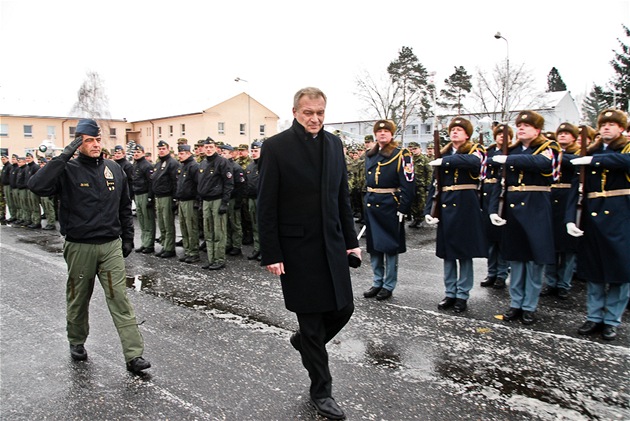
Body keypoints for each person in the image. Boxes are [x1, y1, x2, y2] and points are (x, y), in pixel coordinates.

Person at [258, 87, 360, 420]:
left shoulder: (334, 145)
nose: (314, 118)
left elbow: (342, 195)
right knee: (313, 323)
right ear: (295, 112)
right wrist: (272, 252)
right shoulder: (276, 148)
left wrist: (351, 239)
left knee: (344, 308)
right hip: (297, 249)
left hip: (331, 245)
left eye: (320, 112)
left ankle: (304, 344)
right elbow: (267, 204)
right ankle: (322, 392)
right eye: (307, 113)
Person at [27, 118, 150, 373]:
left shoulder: (114, 169)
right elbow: (37, 186)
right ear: (77, 143)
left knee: (120, 298)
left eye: (97, 140)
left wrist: (128, 238)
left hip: (110, 245)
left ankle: (133, 355)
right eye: (88, 141)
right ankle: (77, 340)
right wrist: (64, 156)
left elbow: (124, 206)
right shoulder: (67, 170)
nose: (95, 145)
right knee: (78, 297)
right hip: (80, 246)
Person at [489, 111, 561, 325]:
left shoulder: (549, 148)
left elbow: (543, 164)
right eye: (519, 125)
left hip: (536, 205)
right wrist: (494, 209)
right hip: (512, 207)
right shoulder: (511, 150)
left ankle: (529, 306)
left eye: (526, 126)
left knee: (534, 260)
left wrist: (509, 159)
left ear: (537, 130)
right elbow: (500, 184)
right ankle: (516, 303)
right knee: (517, 259)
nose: (520, 128)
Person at [567, 109, 630, 341]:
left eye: (613, 124)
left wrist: (595, 160)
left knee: (619, 272)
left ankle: (612, 319)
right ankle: (594, 316)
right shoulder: (589, 151)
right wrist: (569, 219)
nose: (606, 128)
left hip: (621, 217)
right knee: (594, 272)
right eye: (603, 124)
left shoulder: (622, 150)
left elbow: (626, 162)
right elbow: (576, 190)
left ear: (622, 129)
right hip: (592, 218)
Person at [424, 117, 487, 313]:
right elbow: (434, 185)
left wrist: (445, 160)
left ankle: (462, 295)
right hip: (445, 204)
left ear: (467, 134)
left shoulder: (475, 149)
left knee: (464, 254)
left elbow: (474, 162)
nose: (455, 132)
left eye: (459, 130)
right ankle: (450, 292)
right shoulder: (442, 153)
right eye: (452, 130)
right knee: (448, 254)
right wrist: (429, 209)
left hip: (465, 205)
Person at [363, 119, 415, 301]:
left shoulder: (401, 154)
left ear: (392, 134)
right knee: (374, 246)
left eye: (386, 131)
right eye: (379, 131)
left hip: (390, 204)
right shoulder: (370, 154)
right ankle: (377, 281)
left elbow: (409, 183)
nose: (382, 134)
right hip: (372, 202)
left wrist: (403, 207)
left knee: (390, 247)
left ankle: (388, 284)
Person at [541, 122, 580, 300]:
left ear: (573, 137)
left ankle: (564, 283)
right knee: (551, 244)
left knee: (567, 247)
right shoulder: (552, 150)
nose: (563, 136)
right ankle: (551, 281)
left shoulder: (578, 153)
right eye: (561, 133)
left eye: (567, 133)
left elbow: (575, 165)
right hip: (551, 196)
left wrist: (558, 156)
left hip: (567, 198)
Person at [480, 124, 512, 289]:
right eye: (499, 134)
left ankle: (501, 274)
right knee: (491, 241)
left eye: (505, 135)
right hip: (487, 196)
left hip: (502, 198)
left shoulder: (511, 153)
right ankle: (491, 272)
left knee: (502, 240)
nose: (501, 137)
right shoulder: (489, 152)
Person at [197, 139, 233, 270]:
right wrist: (201, 201)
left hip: (217, 200)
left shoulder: (222, 162)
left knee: (219, 231)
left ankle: (219, 259)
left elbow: (229, 183)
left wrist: (224, 202)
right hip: (206, 200)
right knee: (208, 231)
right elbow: (200, 184)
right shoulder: (202, 164)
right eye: (206, 147)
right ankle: (211, 259)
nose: (208, 149)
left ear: (216, 148)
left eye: (211, 147)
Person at [152, 140, 179, 258]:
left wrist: (174, 199)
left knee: (168, 223)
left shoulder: (172, 163)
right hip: (158, 196)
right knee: (162, 223)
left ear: (168, 149)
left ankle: (170, 248)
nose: (161, 151)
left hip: (167, 196)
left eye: (163, 149)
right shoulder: (158, 164)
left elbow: (175, 182)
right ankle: (164, 245)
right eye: (159, 149)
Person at [175, 144, 201, 263]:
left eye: (182, 153)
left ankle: (194, 252)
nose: (179, 156)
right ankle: (187, 250)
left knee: (191, 228)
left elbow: (198, 184)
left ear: (189, 153)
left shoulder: (194, 166)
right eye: (179, 153)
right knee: (184, 227)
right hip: (182, 200)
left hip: (190, 201)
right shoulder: (183, 166)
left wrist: (197, 200)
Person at [220, 144, 246, 256]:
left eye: (224, 153)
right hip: (225, 198)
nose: (222, 154)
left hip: (233, 199)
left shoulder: (236, 168)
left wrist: (238, 202)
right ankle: (228, 244)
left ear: (231, 154)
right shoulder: (222, 166)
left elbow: (241, 186)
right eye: (221, 152)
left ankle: (236, 246)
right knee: (226, 224)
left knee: (235, 223)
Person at [131, 145, 156, 253]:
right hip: (137, 194)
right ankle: (144, 242)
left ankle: (149, 244)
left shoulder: (147, 166)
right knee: (141, 220)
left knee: (148, 220)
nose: (136, 154)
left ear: (143, 153)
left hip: (145, 194)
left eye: (138, 152)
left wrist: (150, 197)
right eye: (135, 152)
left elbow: (151, 182)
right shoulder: (136, 165)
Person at [407, 142, 432, 228]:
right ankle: (415, 218)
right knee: (413, 203)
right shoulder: (410, 159)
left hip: (421, 184)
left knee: (421, 203)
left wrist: (428, 184)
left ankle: (421, 219)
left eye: (415, 149)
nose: (414, 151)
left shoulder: (424, 159)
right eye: (412, 149)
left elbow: (429, 172)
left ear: (419, 149)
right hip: (412, 184)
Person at [244, 141, 262, 260]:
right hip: (251, 199)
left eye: (256, 151)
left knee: (262, 226)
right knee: (255, 225)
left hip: (262, 199)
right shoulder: (250, 166)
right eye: (252, 151)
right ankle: (257, 248)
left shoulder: (266, 164)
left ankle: (264, 250)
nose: (254, 153)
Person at [37, 158, 57, 230]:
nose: (42, 165)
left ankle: (51, 223)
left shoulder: (50, 173)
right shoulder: (41, 172)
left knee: (49, 208)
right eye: (41, 164)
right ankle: (49, 222)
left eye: (44, 164)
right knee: (45, 208)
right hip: (42, 193)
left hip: (48, 193)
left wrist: (51, 194)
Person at [24, 152, 42, 229]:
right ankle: (32, 220)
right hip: (28, 189)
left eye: (29, 158)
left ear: (32, 158)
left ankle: (37, 221)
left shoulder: (35, 167)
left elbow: (37, 179)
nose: (28, 159)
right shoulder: (28, 167)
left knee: (35, 206)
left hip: (33, 189)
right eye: (27, 158)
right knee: (30, 205)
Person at [1, 154, 12, 223]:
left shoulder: (9, 167)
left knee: (11, 202)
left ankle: (14, 216)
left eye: (4, 159)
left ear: (7, 159)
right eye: (2, 159)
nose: (2, 160)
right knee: (8, 201)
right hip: (4, 185)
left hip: (8, 186)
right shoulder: (4, 167)